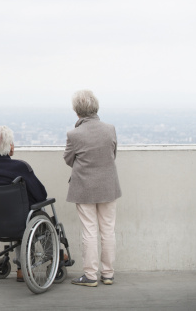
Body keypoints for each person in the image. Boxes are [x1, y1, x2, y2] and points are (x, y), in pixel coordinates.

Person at [64, 90, 122, 287]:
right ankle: (108, 274)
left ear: (77, 111)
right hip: (108, 186)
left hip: (84, 187)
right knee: (108, 230)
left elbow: (68, 159)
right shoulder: (110, 129)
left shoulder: (74, 134)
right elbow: (112, 153)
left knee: (89, 231)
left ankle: (90, 275)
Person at [0, 125, 47, 282]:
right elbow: (41, 195)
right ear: (9, 146)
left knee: (19, 214)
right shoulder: (20, 167)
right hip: (19, 222)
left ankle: (22, 267)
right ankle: (40, 262)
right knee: (35, 214)